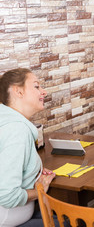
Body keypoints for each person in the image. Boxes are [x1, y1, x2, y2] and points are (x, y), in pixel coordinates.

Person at [0, 68, 56, 226]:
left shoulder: (6, 121)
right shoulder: (17, 131)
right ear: (18, 91)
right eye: (37, 86)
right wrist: (40, 190)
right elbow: (7, 196)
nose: (43, 92)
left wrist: (34, 170)